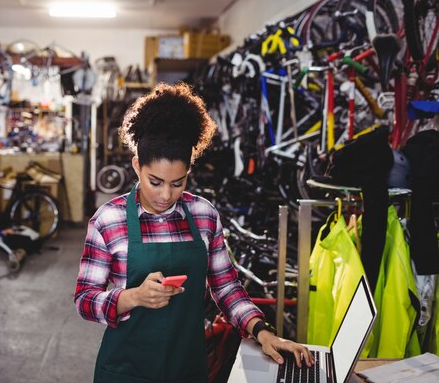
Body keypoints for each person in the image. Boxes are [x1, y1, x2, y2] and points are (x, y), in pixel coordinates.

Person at [75, 83, 312, 383]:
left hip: (187, 368)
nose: (166, 194)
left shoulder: (204, 215)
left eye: (178, 182)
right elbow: (85, 300)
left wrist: (261, 331)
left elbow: (226, 288)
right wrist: (132, 297)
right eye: (156, 181)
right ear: (137, 165)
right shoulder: (109, 220)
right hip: (126, 370)